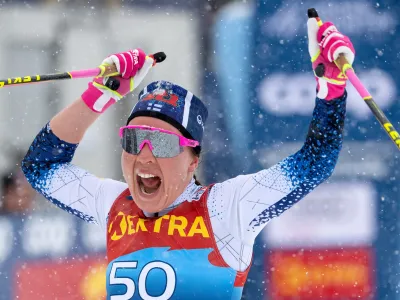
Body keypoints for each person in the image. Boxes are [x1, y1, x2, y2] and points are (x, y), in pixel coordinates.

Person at [22, 17, 355, 299]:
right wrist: (102, 93)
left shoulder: (226, 208)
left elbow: (315, 162)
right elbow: (40, 166)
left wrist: (332, 87)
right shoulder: (114, 205)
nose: (145, 156)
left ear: (193, 160)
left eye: (163, 144)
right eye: (134, 140)